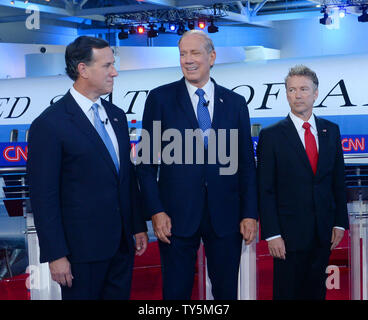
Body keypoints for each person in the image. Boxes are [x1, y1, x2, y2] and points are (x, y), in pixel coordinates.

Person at [136, 30, 258, 300]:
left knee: (227, 292)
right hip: (174, 218)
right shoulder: (160, 99)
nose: (187, 60)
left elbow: (247, 165)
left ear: (212, 57)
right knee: (176, 292)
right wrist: (156, 211)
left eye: (194, 53)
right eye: (182, 54)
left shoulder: (236, 104)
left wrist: (250, 213)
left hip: (226, 217)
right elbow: (144, 164)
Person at [27, 36, 148, 300]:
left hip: (121, 248)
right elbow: (43, 196)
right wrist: (56, 254)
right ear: (82, 69)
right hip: (79, 254)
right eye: (107, 66)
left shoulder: (116, 116)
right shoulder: (50, 124)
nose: (114, 72)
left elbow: (125, 178)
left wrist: (138, 226)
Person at [257, 65, 349, 300]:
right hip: (287, 237)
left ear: (315, 93)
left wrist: (339, 223)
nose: (297, 95)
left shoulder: (332, 130)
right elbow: (265, 190)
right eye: (291, 90)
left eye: (303, 89)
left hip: (323, 234)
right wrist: (272, 234)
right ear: (286, 94)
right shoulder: (271, 135)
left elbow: (338, 181)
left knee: (316, 294)